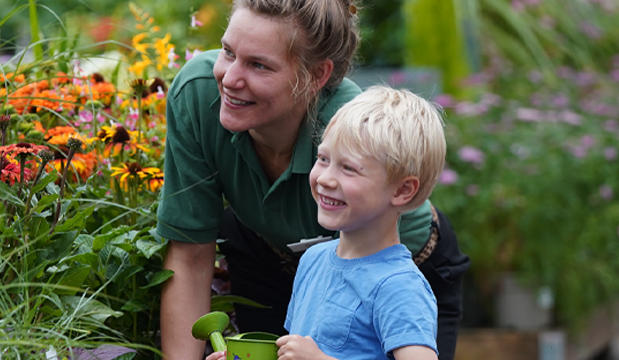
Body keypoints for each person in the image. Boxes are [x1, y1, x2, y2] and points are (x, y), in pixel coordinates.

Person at [157, 1, 469, 359]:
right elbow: (189, 253)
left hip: (396, 261)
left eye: (259, 64)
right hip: (305, 262)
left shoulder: (352, 130)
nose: (228, 79)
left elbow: (382, 280)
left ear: (317, 75)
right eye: (228, 51)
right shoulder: (199, 92)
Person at [207, 86, 446, 360]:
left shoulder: (398, 286)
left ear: (402, 191)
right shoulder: (313, 261)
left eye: (349, 168)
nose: (324, 179)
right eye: (323, 159)